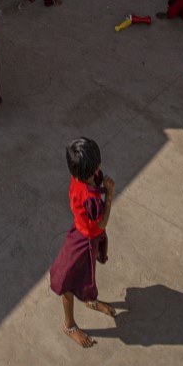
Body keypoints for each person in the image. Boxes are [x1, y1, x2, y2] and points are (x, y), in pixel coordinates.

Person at [48, 137, 117, 348]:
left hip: (90, 237)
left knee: (88, 274)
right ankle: (69, 325)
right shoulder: (90, 198)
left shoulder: (82, 176)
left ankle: (89, 299)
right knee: (68, 281)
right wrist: (110, 194)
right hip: (82, 240)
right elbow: (103, 221)